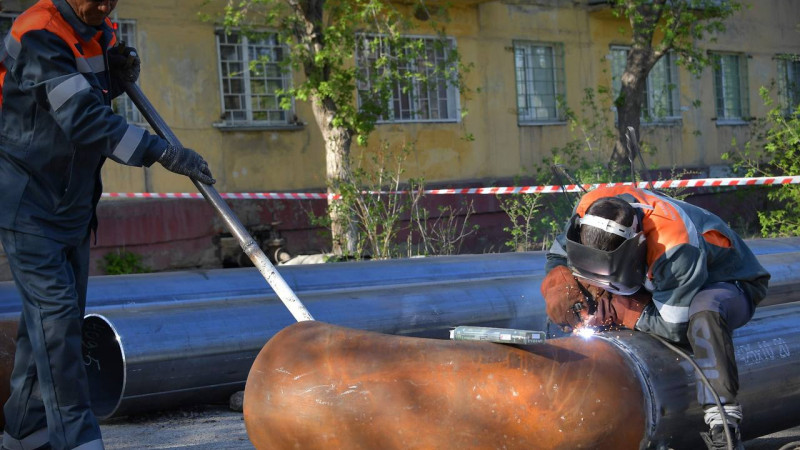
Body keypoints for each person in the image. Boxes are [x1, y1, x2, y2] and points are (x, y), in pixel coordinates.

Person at [0, 0, 214, 448]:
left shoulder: (97, 29)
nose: (103, 4)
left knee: (51, 321)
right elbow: (81, 118)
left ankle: (25, 429)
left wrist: (113, 79)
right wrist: (162, 152)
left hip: (72, 205)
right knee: (57, 324)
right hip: (29, 204)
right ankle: (78, 439)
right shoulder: (39, 32)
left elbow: (83, 95)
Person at [541, 185, 770, 450]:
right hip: (654, 277)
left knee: (703, 314)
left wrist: (623, 310)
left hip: (726, 281)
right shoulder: (589, 209)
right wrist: (563, 285)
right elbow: (558, 254)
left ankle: (722, 424)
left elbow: (675, 327)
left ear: (635, 246)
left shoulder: (675, 246)